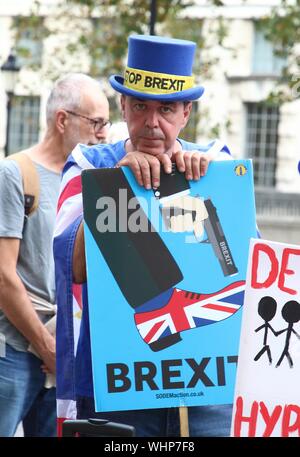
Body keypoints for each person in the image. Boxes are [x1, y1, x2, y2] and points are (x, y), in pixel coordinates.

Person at [54, 35, 233, 437]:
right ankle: (161, 309)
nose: (152, 123)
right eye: (140, 107)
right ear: (123, 107)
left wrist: (194, 189)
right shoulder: (89, 163)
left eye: (166, 109)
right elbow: (74, 266)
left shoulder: (216, 163)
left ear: (186, 112)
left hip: (206, 391)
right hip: (117, 385)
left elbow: (234, 265)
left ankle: (166, 309)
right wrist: (118, 187)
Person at [0, 73, 110, 437]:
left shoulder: (90, 179)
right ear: (63, 120)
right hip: (15, 352)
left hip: (66, 352)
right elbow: (3, 276)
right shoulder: (15, 174)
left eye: (106, 124)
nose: (104, 134)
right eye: (96, 123)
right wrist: (46, 345)